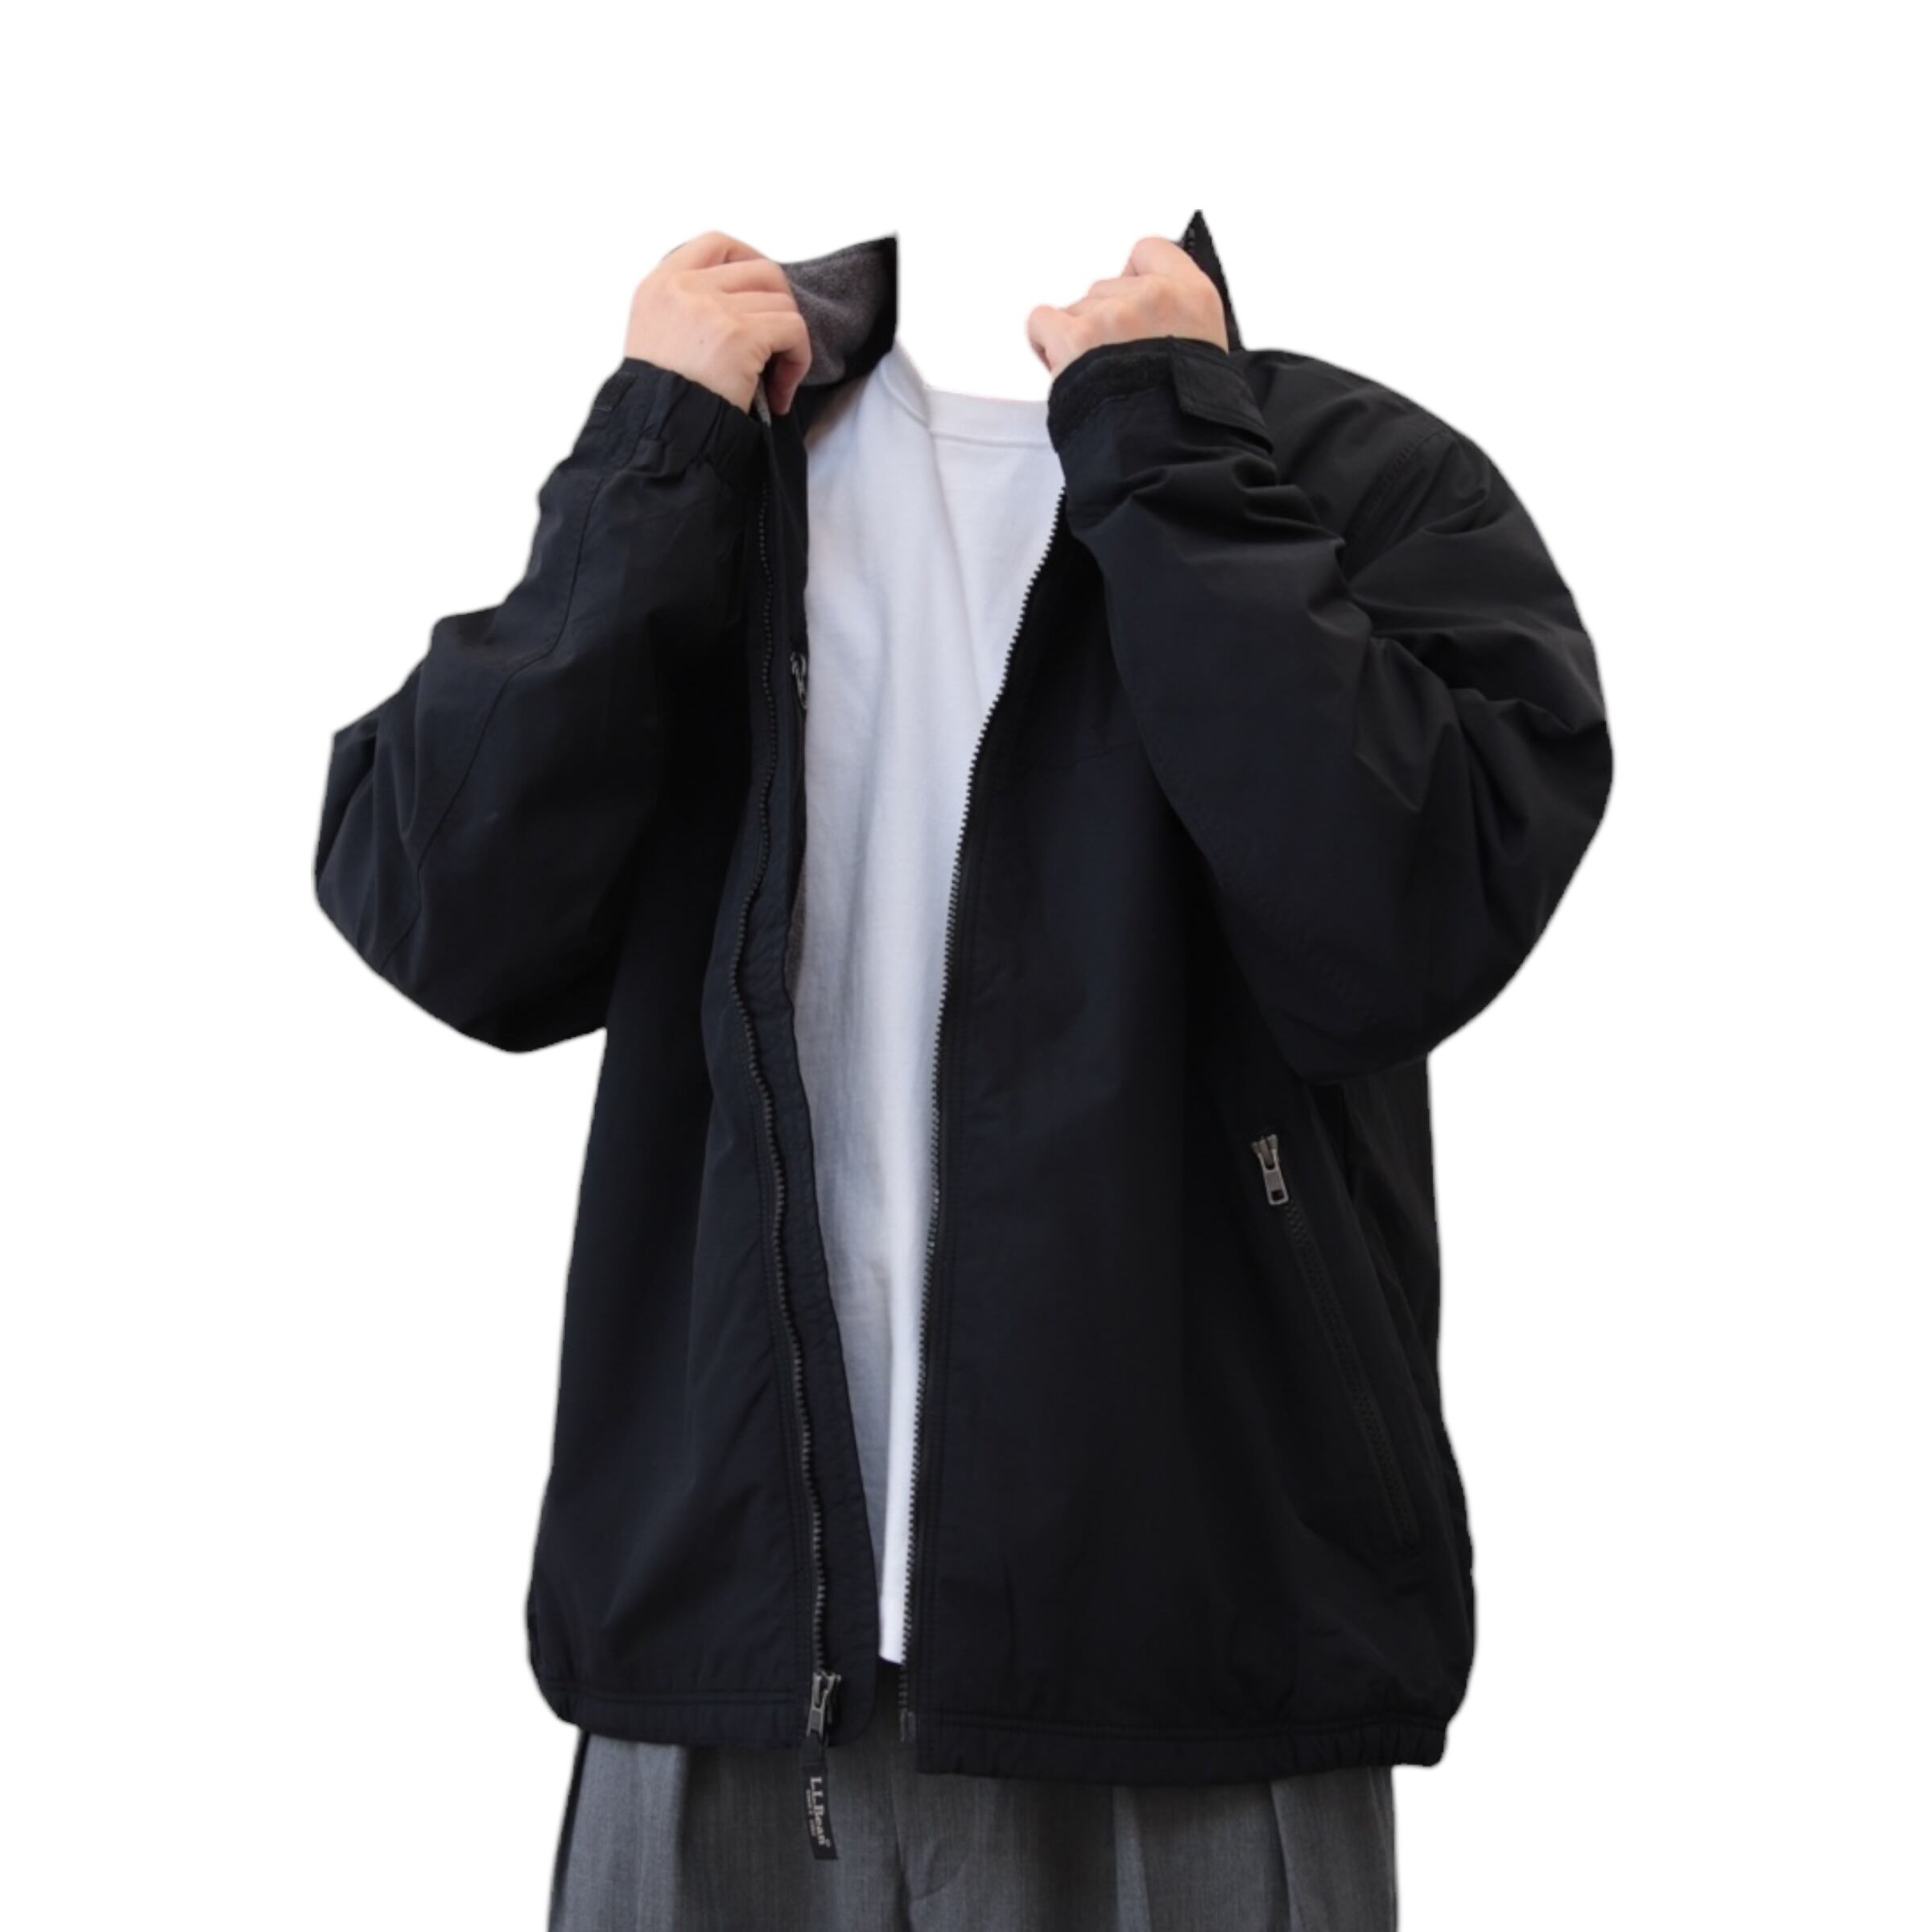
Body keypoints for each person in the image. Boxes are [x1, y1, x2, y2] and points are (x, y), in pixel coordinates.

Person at [313, 209, 1613, 1930]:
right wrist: (649, 459)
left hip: (1199, 1664)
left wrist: (1172, 445)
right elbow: (440, 912)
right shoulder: (718, 470)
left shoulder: (1348, 475)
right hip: (731, 1653)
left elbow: (1402, 925)